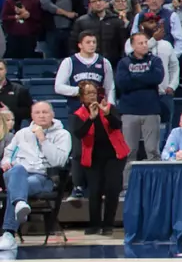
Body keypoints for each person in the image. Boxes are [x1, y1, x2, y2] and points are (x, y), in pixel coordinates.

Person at [0, 100, 71, 250]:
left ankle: (9, 233)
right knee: (17, 171)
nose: (41, 116)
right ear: (32, 115)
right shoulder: (22, 134)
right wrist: (5, 162)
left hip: (43, 177)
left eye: (45, 112)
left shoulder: (62, 135)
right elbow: (8, 154)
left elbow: (58, 161)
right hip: (16, 173)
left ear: (52, 114)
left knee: (17, 187)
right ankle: (20, 204)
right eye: (37, 113)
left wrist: (43, 140)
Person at [68, 81, 126, 235]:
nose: (92, 95)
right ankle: (94, 224)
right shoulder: (78, 115)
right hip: (93, 157)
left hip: (114, 155)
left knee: (112, 189)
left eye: (94, 92)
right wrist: (91, 119)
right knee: (95, 191)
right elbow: (79, 133)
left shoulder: (108, 108)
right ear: (82, 97)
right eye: (88, 93)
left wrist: (107, 114)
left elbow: (117, 125)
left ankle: (108, 225)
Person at [115, 32, 166, 162]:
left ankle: (155, 182)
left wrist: (134, 78)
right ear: (132, 46)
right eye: (140, 43)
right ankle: (127, 183)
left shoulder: (155, 60)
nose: (144, 45)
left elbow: (157, 78)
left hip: (151, 111)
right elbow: (122, 84)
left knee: (153, 151)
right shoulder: (124, 63)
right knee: (129, 151)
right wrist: (145, 79)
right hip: (129, 112)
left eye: (145, 42)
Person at [55, 30, 116, 101]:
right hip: (76, 107)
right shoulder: (68, 62)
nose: (92, 44)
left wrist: (110, 106)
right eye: (88, 42)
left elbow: (110, 88)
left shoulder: (104, 62)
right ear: (80, 45)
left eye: (94, 42)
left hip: (97, 107)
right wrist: (81, 91)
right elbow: (58, 87)